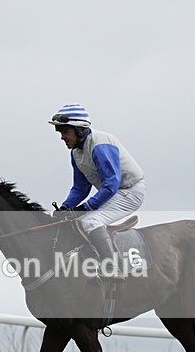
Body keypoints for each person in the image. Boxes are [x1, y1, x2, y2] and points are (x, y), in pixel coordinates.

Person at [49, 103, 146, 280]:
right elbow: (80, 187)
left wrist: (86, 207)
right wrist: (65, 208)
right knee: (75, 220)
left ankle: (113, 267)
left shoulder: (100, 145)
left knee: (91, 220)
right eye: (60, 133)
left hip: (130, 191)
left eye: (65, 132)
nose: (62, 137)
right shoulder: (76, 153)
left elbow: (111, 183)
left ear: (79, 130)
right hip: (114, 192)